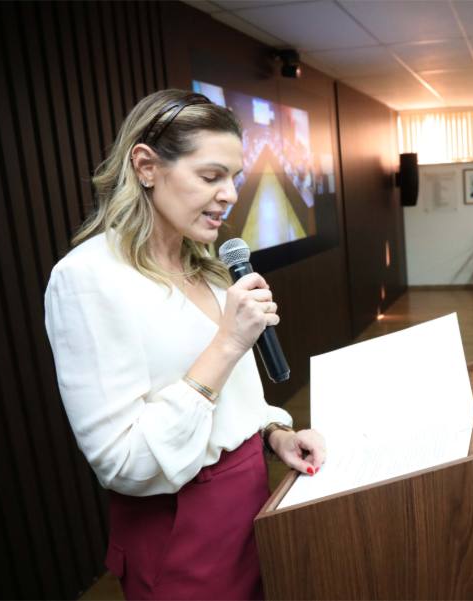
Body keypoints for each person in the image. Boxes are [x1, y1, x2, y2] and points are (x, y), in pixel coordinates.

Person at [44, 90, 326, 601]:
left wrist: (273, 434)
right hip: (181, 531)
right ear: (146, 166)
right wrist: (228, 341)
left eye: (234, 178)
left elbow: (232, 398)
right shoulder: (88, 278)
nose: (230, 194)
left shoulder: (211, 266)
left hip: (251, 501)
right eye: (211, 176)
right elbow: (123, 462)